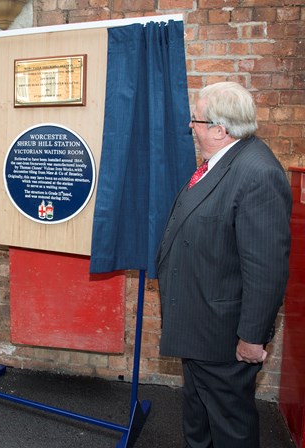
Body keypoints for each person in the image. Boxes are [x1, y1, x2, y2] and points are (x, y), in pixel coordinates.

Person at [156, 82, 292, 447]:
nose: (190, 127)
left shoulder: (257, 173)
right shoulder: (222, 162)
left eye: (196, 120)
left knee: (230, 427)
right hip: (202, 329)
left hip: (224, 338)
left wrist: (252, 337)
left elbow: (266, 268)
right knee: (199, 418)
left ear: (220, 129)